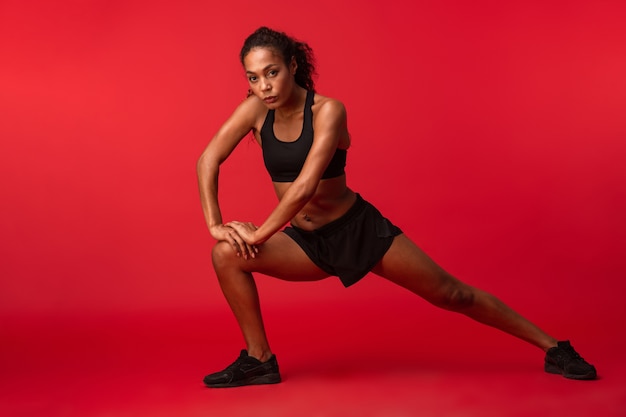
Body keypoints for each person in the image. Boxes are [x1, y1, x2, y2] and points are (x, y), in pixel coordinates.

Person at [196, 26, 596, 388]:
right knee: (225, 255)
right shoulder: (254, 110)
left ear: (293, 66)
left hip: (357, 229)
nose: (263, 86)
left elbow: (304, 187)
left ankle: (554, 346)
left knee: (452, 294)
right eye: (253, 77)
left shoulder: (328, 110)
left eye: (271, 72)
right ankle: (259, 359)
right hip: (305, 242)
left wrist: (259, 233)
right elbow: (207, 159)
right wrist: (216, 224)